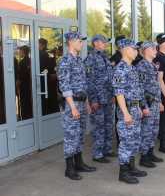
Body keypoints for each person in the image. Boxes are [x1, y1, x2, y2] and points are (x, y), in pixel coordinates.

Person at [57, 32, 96, 181]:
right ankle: (69, 168)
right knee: (71, 135)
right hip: (71, 104)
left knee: (79, 134)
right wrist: (72, 107)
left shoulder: (79, 60)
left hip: (81, 102)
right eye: (80, 41)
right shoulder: (65, 60)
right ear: (71, 42)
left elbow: (83, 84)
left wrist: (86, 103)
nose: (82, 43)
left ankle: (79, 163)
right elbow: (65, 85)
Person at [112, 38, 148, 184]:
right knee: (126, 141)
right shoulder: (120, 68)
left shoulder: (132, 67)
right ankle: (123, 172)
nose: (136, 52)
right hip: (126, 109)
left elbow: (136, 90)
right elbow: (119, 92)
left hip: (134, 107)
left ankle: (132, 167)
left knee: (134, 139)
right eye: (134, 49)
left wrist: (138, 107)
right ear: (126, 50)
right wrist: (126, 112)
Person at [84, 35, 116, 164]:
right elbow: (89, 81)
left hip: (108, 98)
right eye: (104, 42)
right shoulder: (90, 59)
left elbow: (109, 78)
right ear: (96, 43)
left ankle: (107, 149)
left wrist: (113, 94)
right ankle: (97, 154)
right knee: (99, 126)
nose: (105, 44)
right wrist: (93, 100)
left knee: (109, 125)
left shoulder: (105, 57)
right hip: (98, 99)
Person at [136, 41, 164, 168]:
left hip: (155, 102)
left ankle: (150, 152)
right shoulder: (142, 66)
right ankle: (144, 157)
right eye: (153, 48)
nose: (155, 50)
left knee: (153, 130)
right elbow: (140, 88)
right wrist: (143, 106)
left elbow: (155, 85)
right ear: (146, 50)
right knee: (146, 131)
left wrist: (160, 102)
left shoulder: (151, 65)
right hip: (148, 103)